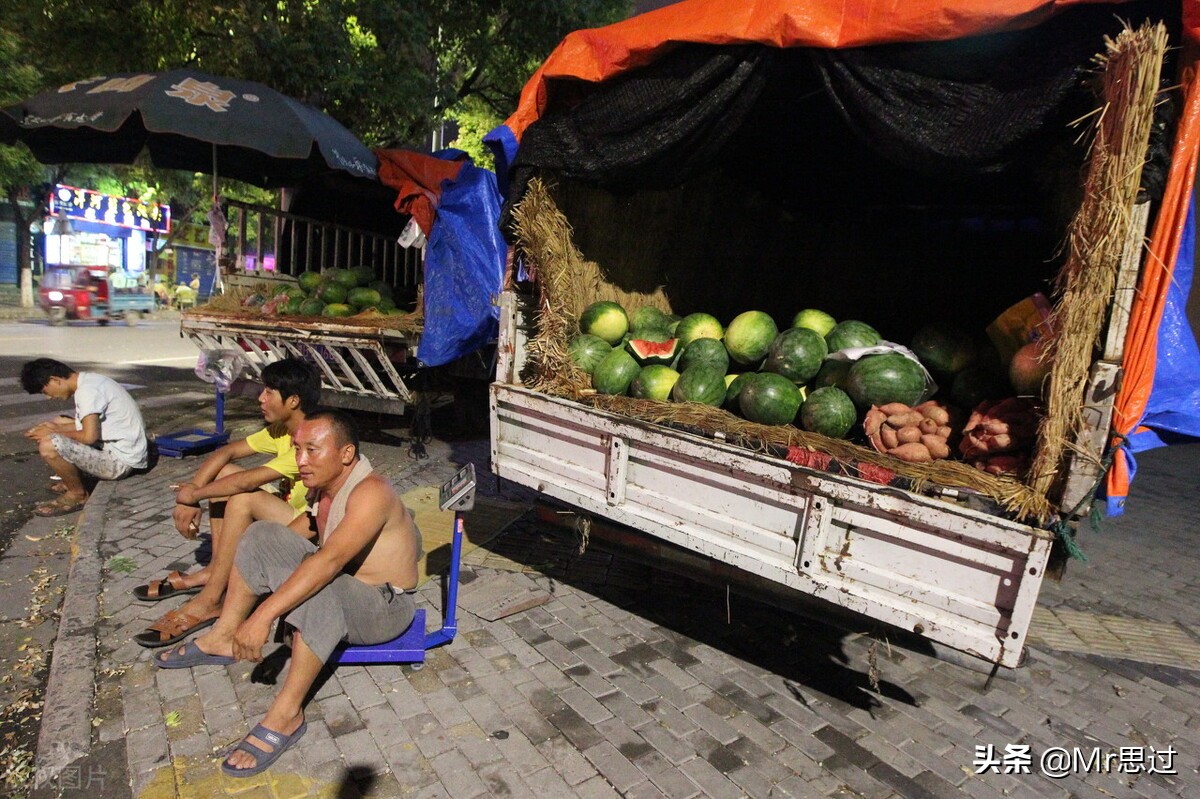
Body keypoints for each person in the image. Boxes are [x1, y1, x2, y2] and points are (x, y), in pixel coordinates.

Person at [154, 410, 422, 779]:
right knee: (261, 534)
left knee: (315, 584)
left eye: (312, 450)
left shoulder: (371, 491)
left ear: (345, 454)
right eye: (298, 450)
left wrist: (263, 617)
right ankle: (223, 636)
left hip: (385, 608)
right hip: (350, 588)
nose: (300, 461)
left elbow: (327, 562)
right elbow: (288, 540)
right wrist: (254, 566)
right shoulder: (323, 489)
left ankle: (286, 714)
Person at [132, 358, 321, 649]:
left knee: (243, 496)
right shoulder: (282, 429)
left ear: (293, 400)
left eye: (269, 392)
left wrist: (192, 496)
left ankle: (211, 599)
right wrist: (195, 490)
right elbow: (228, 452)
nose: (260, 398)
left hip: (310, 535)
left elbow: (249, 482)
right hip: (288, 516)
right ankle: (213, 574)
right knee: (224, 475)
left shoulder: (310, 439)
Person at [20, 359, 148, 517]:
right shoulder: (89, 381)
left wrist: (51, 434)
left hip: (121, 462)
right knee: (57, 422)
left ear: (54, 380)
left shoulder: (87, 392)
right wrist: (54, 428)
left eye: (45, 391)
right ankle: (74, 480)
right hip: (118, 447)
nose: (49, 397)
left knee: (49, 445)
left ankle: (77, 495)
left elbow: (89, 436)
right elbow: (87, 426)